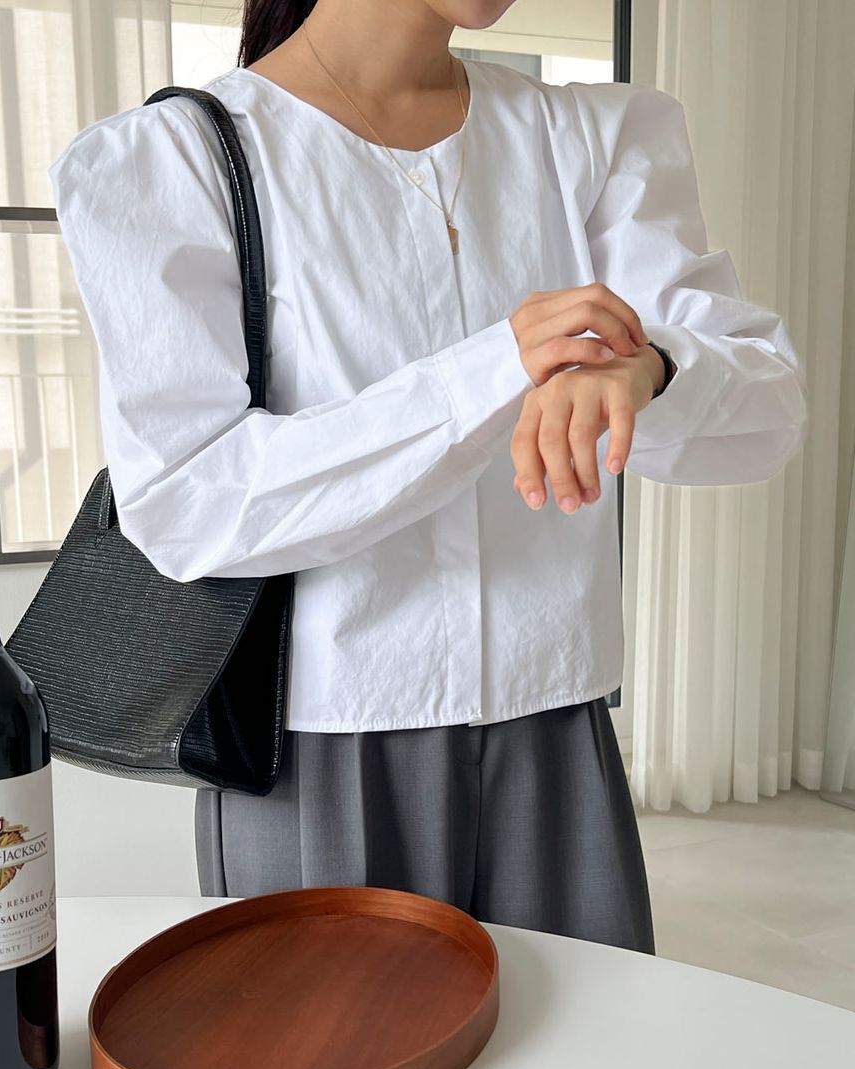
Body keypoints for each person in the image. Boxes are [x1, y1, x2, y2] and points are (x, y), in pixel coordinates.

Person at [48, 1, 806, 954]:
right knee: (330, 1046)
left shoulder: (593, 138)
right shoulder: (177, 159)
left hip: (555, 726)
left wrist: (649, 367)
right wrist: (494, 369)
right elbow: (184, 502)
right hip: (317, 747)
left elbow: (768, 411)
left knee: (584, 1044)